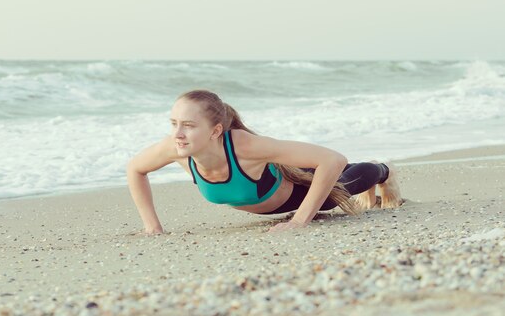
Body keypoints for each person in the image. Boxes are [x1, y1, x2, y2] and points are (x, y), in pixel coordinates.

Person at [126, 89, 403, 235]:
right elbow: (135, 169)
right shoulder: (175, 146)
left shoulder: (244, 146)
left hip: (299, 191)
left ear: (215, 131)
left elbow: (332, 159)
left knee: (340, 186)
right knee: (329, 172)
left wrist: (299, 220)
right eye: (173, 123)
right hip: (283, 177)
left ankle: (384, 171)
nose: (177, 133)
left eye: (188, 125)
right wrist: (153, 227)